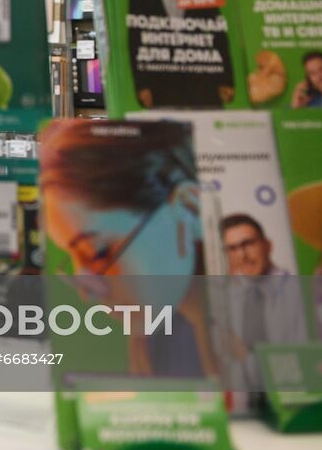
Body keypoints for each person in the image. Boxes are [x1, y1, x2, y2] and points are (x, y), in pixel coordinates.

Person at [40, 119, 217, 379]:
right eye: (73, 260)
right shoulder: (153, 345)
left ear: (189, 209)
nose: (88, 291)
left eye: (98, 253)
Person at [219, 214, 307, 393]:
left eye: (248, 244)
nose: (242, 256)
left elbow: (304, 363)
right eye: (232, 249)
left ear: (268, 245)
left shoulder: (298, 293)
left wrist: (246, 357)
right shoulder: (223, 299)